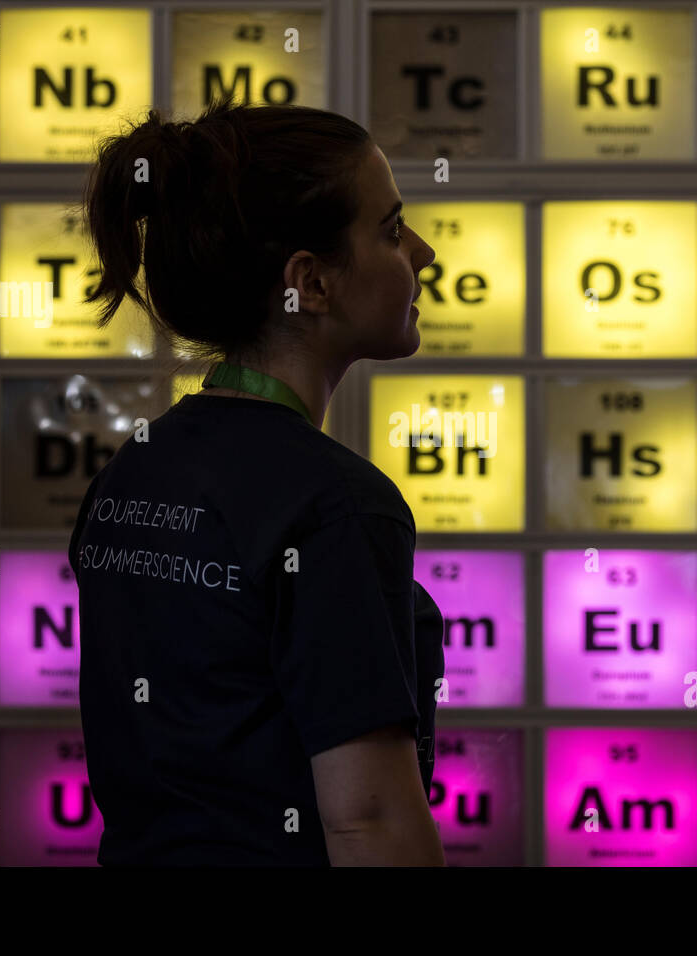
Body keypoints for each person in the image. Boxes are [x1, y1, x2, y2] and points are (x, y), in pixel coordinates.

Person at [67, 98, 446, 866]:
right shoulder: (336, 504)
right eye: (390, 228)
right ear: (310, 283)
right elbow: (370, 824)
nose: (424, 251)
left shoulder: (133, 472)